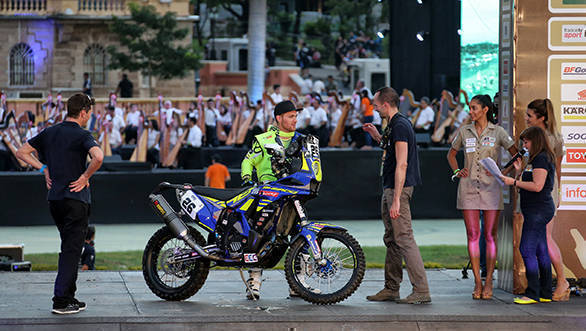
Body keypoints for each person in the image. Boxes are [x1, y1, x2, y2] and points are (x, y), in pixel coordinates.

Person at [16, 93, 104, 314]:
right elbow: (99, 157)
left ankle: (69, 296)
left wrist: (43, 168)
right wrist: (85, 177)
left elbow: (22, 151)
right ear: (83, 112)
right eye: (90, 113)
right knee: (71, 250)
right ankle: (62, 301)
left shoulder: (50, 131)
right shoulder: (82, 134)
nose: (90, 117)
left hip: (55, 200)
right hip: (76, 200)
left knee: (69, 248)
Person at [363, 87, 431, 304]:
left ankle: (421, 290)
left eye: (375, 104)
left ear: (385, 104)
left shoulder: (400, 125)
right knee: (392, 239)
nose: (373, 108)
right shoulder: (393, 125)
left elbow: (402, 163)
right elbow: (391, 150)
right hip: (391, 187)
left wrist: (396, 199)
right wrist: (376, 136)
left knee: (404, 238)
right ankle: (391, 288)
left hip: (397, 190)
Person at [447, 94, 516, 300]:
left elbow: (516, 154)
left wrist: (503, 172)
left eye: (475, 108)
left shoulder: (498, 132)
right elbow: (450, 154)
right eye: (470, 108)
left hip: (491, 189)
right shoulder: (464, 131)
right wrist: (458, 170)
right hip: (468, 188)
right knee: (472, 235)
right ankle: (477, 281)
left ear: (486, 109)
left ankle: (488, 283)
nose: (471, 111)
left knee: (490, 236)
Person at [240, 100, 309, 300]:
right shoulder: (263, 139)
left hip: (293, 196)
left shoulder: (303, 140)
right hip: (268, 197)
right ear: (279, 118)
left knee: (301, 235)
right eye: (291, 116)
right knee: (258, 237)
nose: (295, 120)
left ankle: (299, 284)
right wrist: (247, 179)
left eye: (296, 116)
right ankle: (253, 282)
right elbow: (248, 161)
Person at [500, 127, 556, 304]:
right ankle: (545, 292)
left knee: (526, 249)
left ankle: (532, 292)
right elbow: (528, 183)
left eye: (526, 142)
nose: (524, 145)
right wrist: (518, 172)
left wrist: (513, 181)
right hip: (534, 209)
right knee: (540, 250)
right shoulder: (535, 159)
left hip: (539, 210)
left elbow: (538, 186)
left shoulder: (541, 158)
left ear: (536, 141)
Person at [524, 98, 569, 301]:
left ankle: (561, 280)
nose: (525, 119)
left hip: (545, 193)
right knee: (540, 240)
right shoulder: (528, 138)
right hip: (532, 192)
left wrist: (557, 194)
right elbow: (525, 167)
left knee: (544, 239)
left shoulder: (554, 139)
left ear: (541, 118)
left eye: (530, 116)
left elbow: (558, 170)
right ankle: (544, 287)